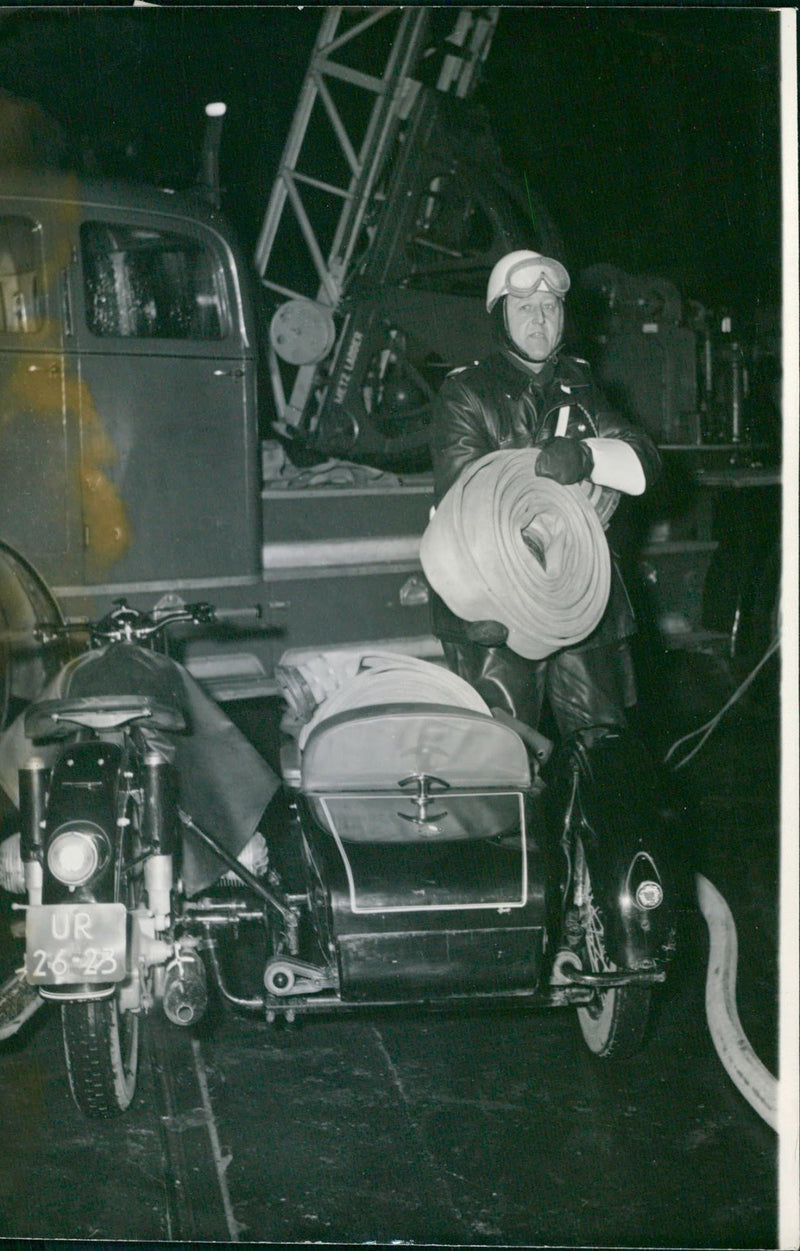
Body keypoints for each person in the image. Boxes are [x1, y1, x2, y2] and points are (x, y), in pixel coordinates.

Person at [429, 248, 662, 737]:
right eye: (525, 308)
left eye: (550, 307)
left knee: (602, 741)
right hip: (493, 602)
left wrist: (588, 457)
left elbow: (643, 458)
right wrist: (573, 503)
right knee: (503, 749)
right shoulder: (468, 392)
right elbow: (467, 503)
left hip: (582, 594)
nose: (540, 320)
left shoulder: (581, 384)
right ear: (501, 319)